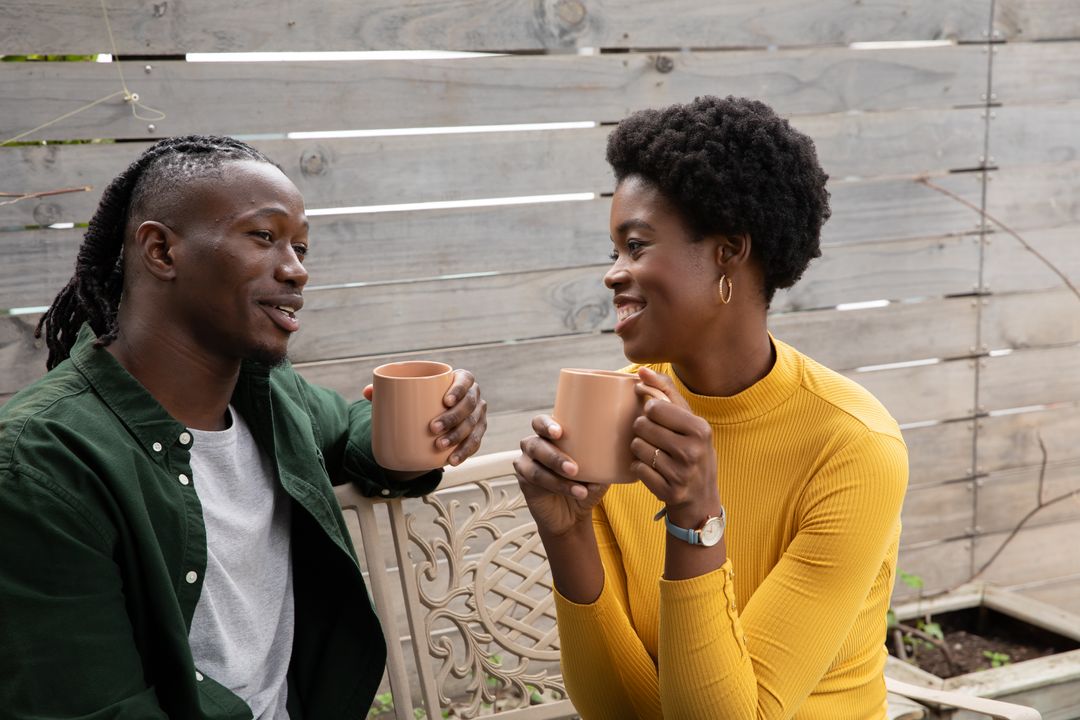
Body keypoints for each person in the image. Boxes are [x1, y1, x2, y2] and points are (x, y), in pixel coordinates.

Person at [0, 135, 487, 719]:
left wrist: (434, 424)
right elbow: (94, 707)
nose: (296, 270)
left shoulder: (267, 395)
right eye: (264, 236)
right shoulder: (41, 464)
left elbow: (352, 431)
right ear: (160, 250)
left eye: (301, 247)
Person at [514, 96, 908, 719]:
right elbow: (615, 709)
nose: (614, 274)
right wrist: (568, 535)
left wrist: (696, 519)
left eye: (636, 245)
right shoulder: (621, 410)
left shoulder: (853, 446)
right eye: (613, 251)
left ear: (728, 251)